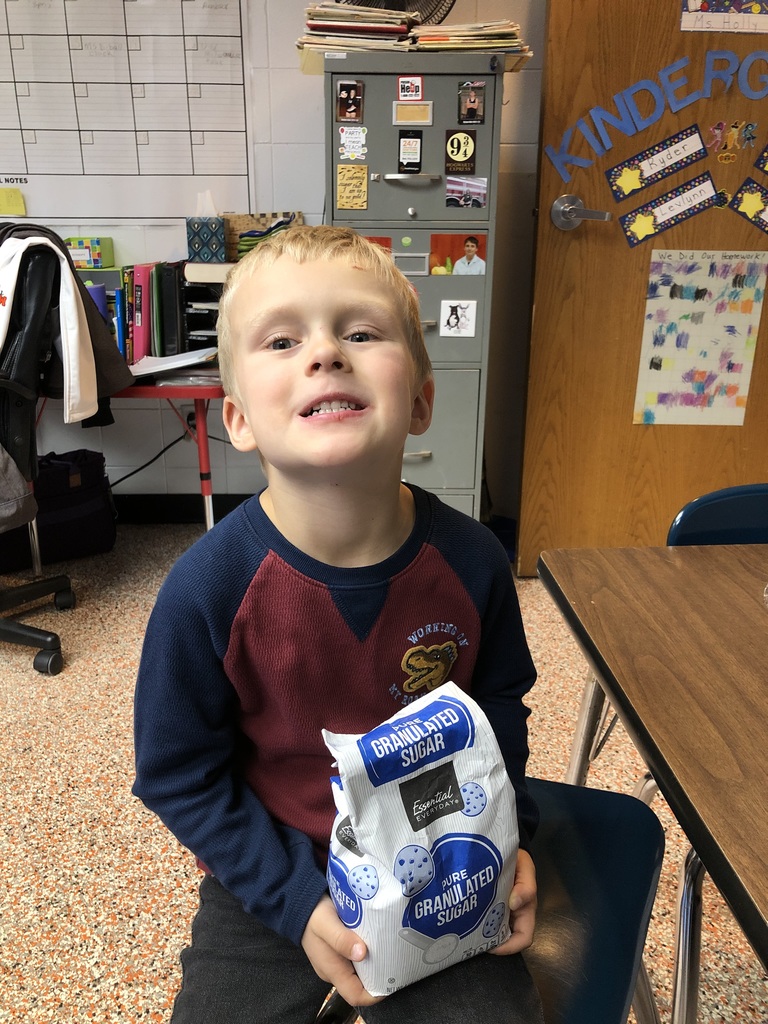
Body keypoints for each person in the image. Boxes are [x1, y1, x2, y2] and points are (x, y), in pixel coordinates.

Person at [132, 225, 543, 1024]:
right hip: (273, 870)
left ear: (420, 401)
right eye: (282, 340)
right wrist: (294, 903)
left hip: (441, 862)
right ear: (238, 419)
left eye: (360, 332)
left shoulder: (474, 563)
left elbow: (499, 713)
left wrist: (512, 839)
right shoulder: (205, 591)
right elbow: (178, 774)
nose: (324, 353)